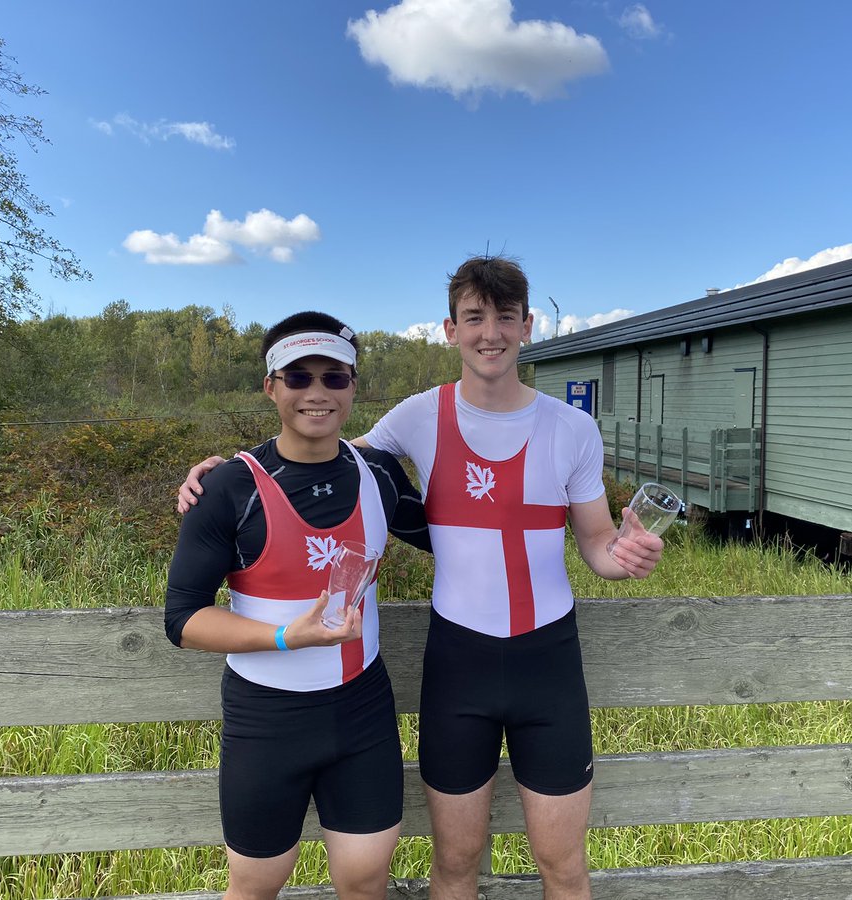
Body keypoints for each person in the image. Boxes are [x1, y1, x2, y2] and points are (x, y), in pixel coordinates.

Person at [179, 257, 664, 900]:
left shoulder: (573, 429)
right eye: (473, 318)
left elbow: (597, 543)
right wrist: (216, 475)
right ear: (450, 329)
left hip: (548, 664)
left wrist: (624, 555)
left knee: (565, 867)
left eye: (504, 318)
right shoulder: (414, 418)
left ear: (527, 327)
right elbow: (322, 453)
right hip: (457, 664)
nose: (489, 333)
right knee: (455, 864)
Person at [165, 311, 431, 900]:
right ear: (271, 387)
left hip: (361, 709)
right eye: (298, 377)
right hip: (267, 720)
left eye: (335, 378)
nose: (317, 393)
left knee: (365, 880)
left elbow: (458, 531)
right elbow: (182, 620)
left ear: (355, 385)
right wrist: (288, 636)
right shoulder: (228, 488)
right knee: (255, 886)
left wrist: (587, 516)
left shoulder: (379, 474)